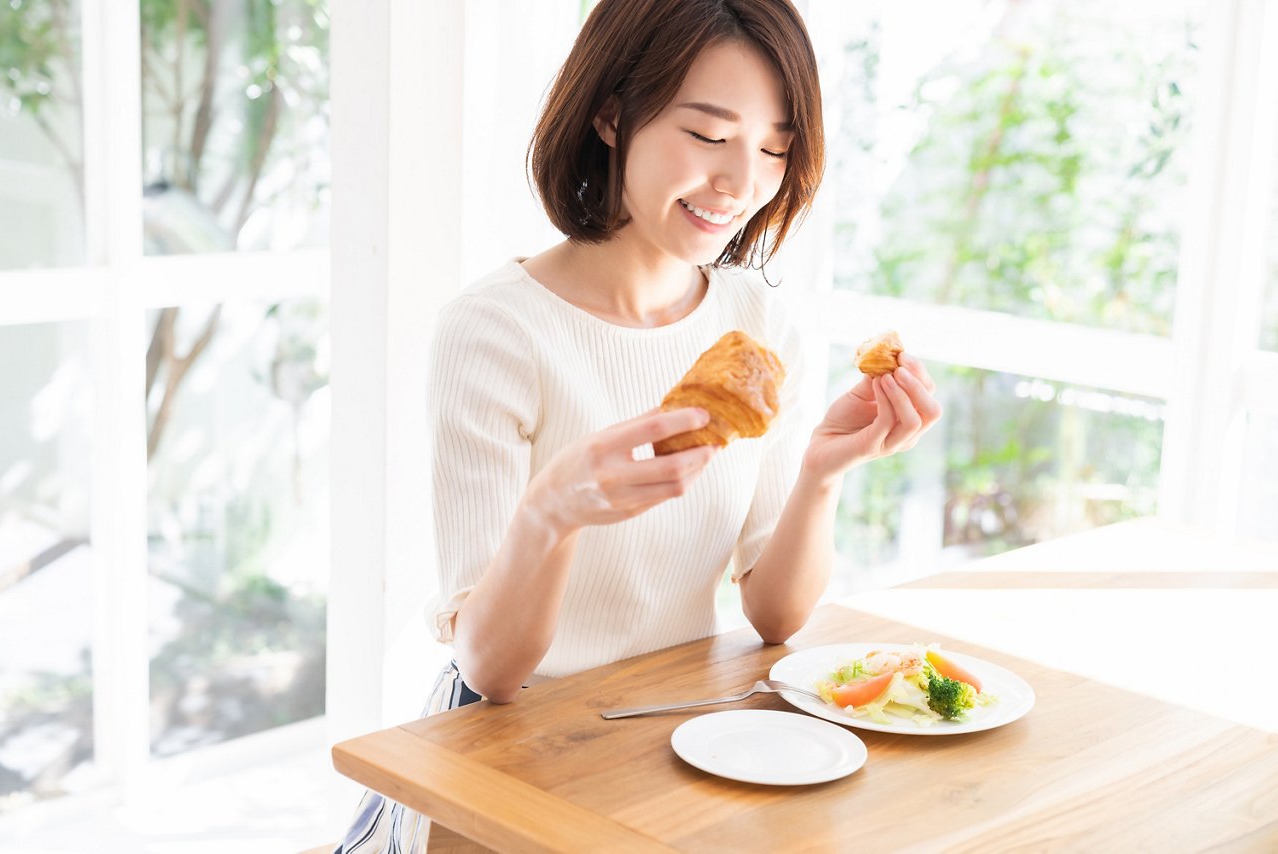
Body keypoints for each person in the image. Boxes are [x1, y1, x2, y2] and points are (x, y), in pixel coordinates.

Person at [336, 0, 941, 849]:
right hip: (517, 762)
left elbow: (774, 616)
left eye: (773, 148)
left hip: (690, 746)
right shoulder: (498, 330)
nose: (741, 183)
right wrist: (555, 511)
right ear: (612, 114)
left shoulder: (758, 328)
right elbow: (492, 670)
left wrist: (822, 473)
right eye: (707, 135)